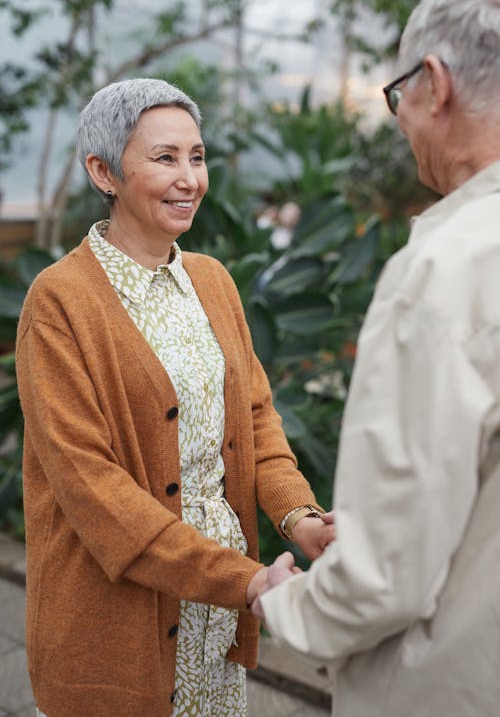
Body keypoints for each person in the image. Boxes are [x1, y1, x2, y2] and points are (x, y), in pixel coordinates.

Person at [16, 77, 334, 717]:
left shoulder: (212, 282)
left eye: (197, 156)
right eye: (164, 158)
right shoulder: (58, 304)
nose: (189, 177)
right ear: (103, 171)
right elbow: (93, 490)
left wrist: (301, 518)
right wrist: (244, 581)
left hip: (216, 618)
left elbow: (254, 423)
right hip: (118, 621)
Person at [252, 0, 500, 715]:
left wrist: (291, 603)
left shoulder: (444, 268)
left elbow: (387, 572)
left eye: (398, 98)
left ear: (434, 84)